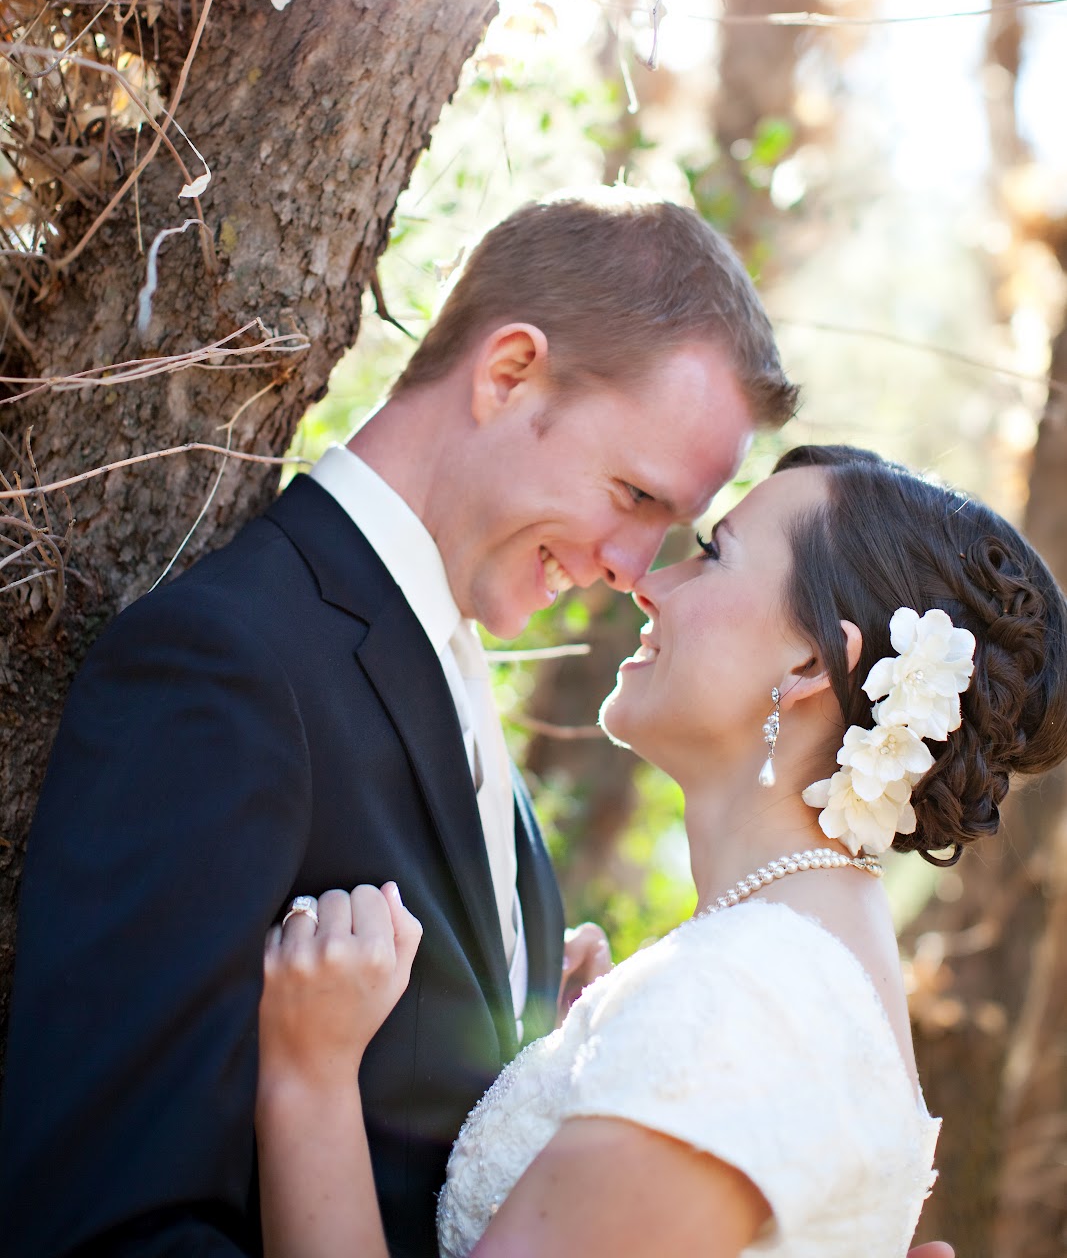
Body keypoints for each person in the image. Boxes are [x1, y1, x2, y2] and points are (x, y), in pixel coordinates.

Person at [0, 197, 797, 1258]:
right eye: (631, 494)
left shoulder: (455, 694)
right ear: (507, 370)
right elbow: (103, 1221)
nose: (630, 570)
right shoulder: (223, 670)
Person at [253, 443, 1067, 1258]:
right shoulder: (787, 982)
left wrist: (309, 1076)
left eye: (714, 555)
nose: (650, 580)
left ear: (810, 661)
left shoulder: (743, 1011)